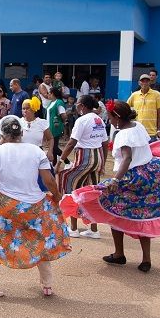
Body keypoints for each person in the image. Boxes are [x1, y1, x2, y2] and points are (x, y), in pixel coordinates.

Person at [60, 101, 160, 273]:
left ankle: (119, 254)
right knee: (144, 214)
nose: (109, 121)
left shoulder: (122, 135)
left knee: (112, 210)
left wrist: (115, 180)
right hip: (149, 174)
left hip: (131, 178)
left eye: (110, 117)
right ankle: (145, 259)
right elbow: (146, 146)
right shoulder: (139, 126)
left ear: (117, 117)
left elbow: (127, 158)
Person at [0, 115, 71, 298]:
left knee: (0, 241)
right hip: (34, 207)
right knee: (40, 242)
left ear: (2, 134)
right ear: (22, 132)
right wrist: (58, 196)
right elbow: (49, 181)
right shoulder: (36, 151)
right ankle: (47, 286)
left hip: (5, 206)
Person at [56, 95, 108, 239]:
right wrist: (103, 163)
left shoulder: (81, 120)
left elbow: (72, 143)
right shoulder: (99, 120)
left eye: (78, 104)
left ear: (83, 106)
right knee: (91, 192)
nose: (77, 107)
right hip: (97, 158)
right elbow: (104, 143)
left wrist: (60, 162)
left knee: (71, 187)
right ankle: (93, 229)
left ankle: (73, 228)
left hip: (84, 157)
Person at [127, 74, 160, 141]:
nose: (145, 83)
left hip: (151, 132)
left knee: (151, 151)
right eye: (142, 81)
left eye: (147, 81)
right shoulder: (134, 95)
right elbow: (126, 107)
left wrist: (159, 130)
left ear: (150, 82)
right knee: (138, 151)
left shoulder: (157, 94)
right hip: (137, 131)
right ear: (139, 83)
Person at [46, 87, 67, 165]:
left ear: (52, 94)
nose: (47, 94)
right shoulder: (51, 102)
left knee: (54, 147)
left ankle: (67, 162)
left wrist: (61, 122)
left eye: (49, 93)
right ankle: (54, 163)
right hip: (49, 127)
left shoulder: (59, 102)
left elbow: (64, 115)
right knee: (53, 147)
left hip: (55, 127)